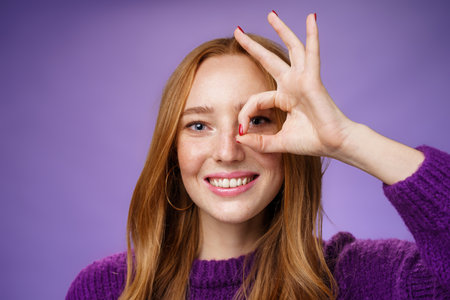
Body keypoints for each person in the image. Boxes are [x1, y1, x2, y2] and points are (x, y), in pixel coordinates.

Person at [66, 11, 449, 300]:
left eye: (258, 119)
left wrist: (347, 139)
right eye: (199, 125)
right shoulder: (107, 287)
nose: (228, 151)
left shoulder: (356, 277)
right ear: (172, 149)